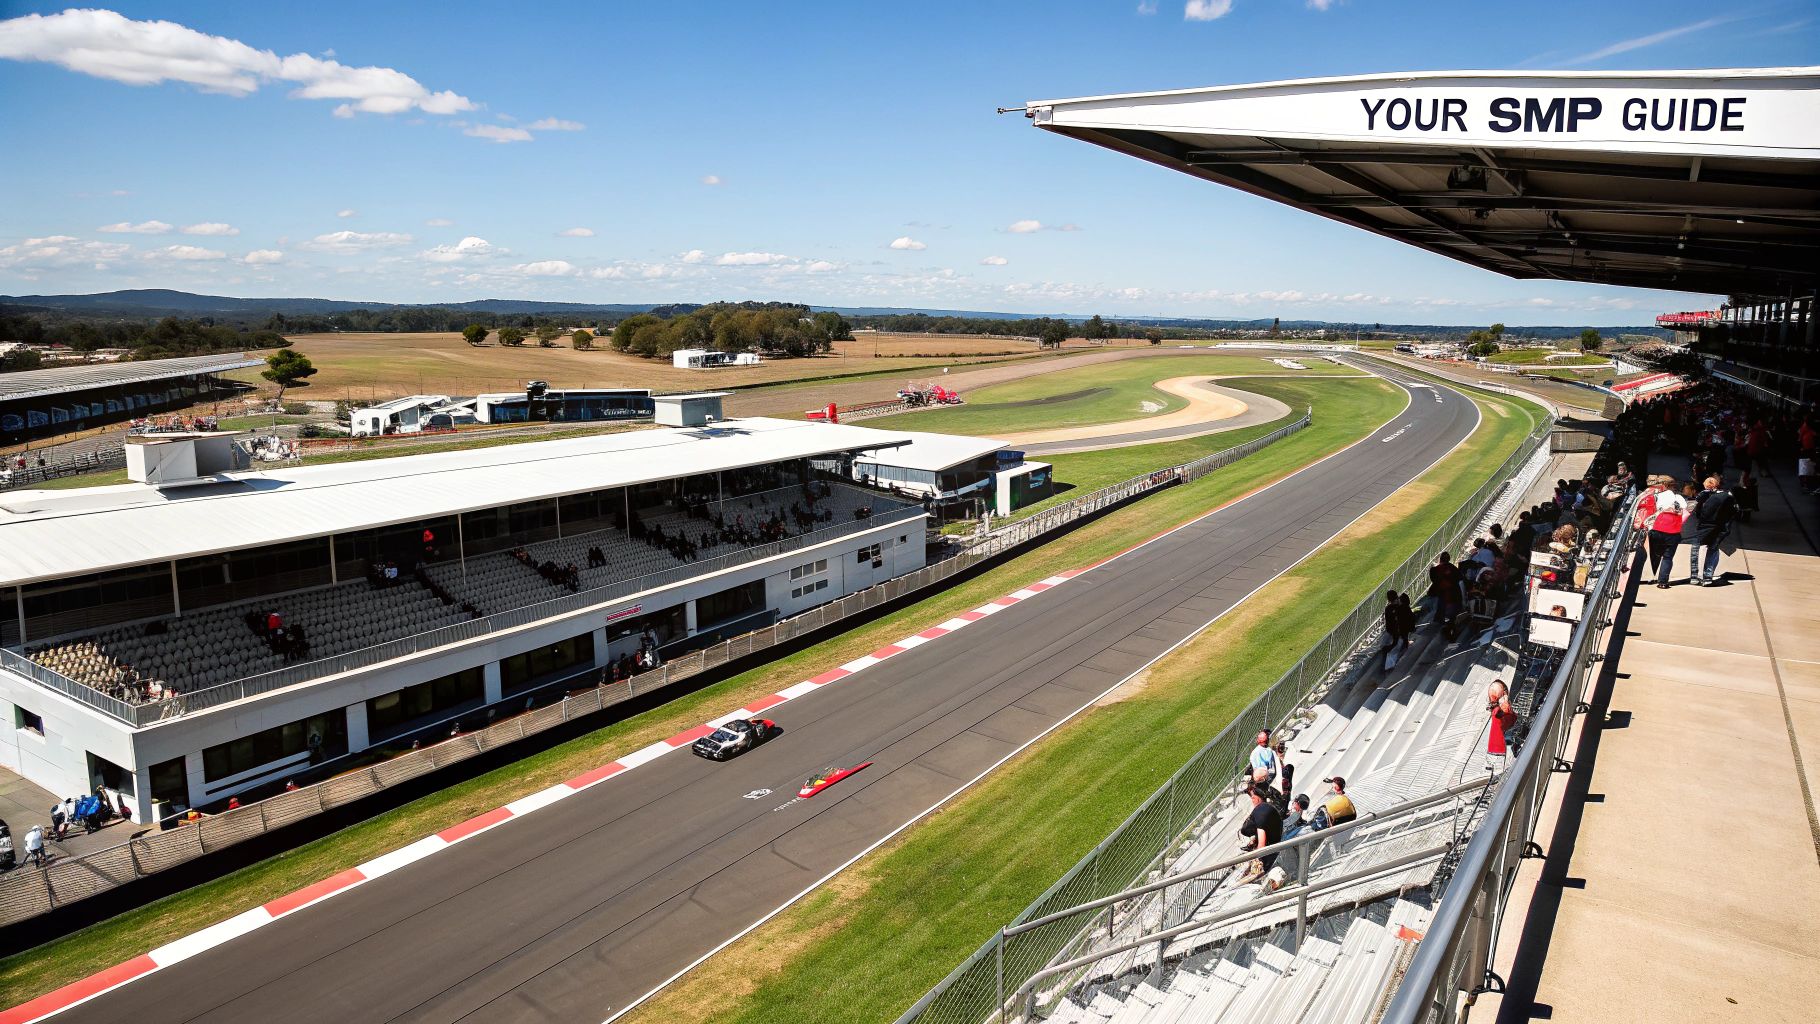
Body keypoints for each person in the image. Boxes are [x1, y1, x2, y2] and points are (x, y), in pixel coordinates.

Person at [1685, 475, 1735, 586]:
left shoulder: (1702, 496)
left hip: (1703, 526)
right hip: (1718, 527)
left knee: (1695, 550)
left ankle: (1694, 576)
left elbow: (1691, 509)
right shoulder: (1727, 496)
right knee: (1712, 550)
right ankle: (1707, 577)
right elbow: (1732, 513)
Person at [1642, 478, 1688, 589]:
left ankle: (1647, 576)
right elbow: (1684, 510)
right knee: (1667, 558)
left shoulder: (1660, 496)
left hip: (1657, 528)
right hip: (1673, 532)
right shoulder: (1680, 499)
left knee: (1652, 554)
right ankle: (1663, 582)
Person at [1237, 781, 1285, 874]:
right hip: (1276, 843)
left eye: (1253, 797)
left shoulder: (1259, 814)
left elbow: (1262, 844)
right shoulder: (1268, 807)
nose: (1252, 800)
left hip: (1270, 854)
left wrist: (1257, 860)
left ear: (1258, 798)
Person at [1486, 679, 1519, 764]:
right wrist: (1508, 709)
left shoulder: (1494, 711)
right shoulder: (1500, 713)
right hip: (1502, 755)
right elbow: (1510, 722)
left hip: (1494, 754)